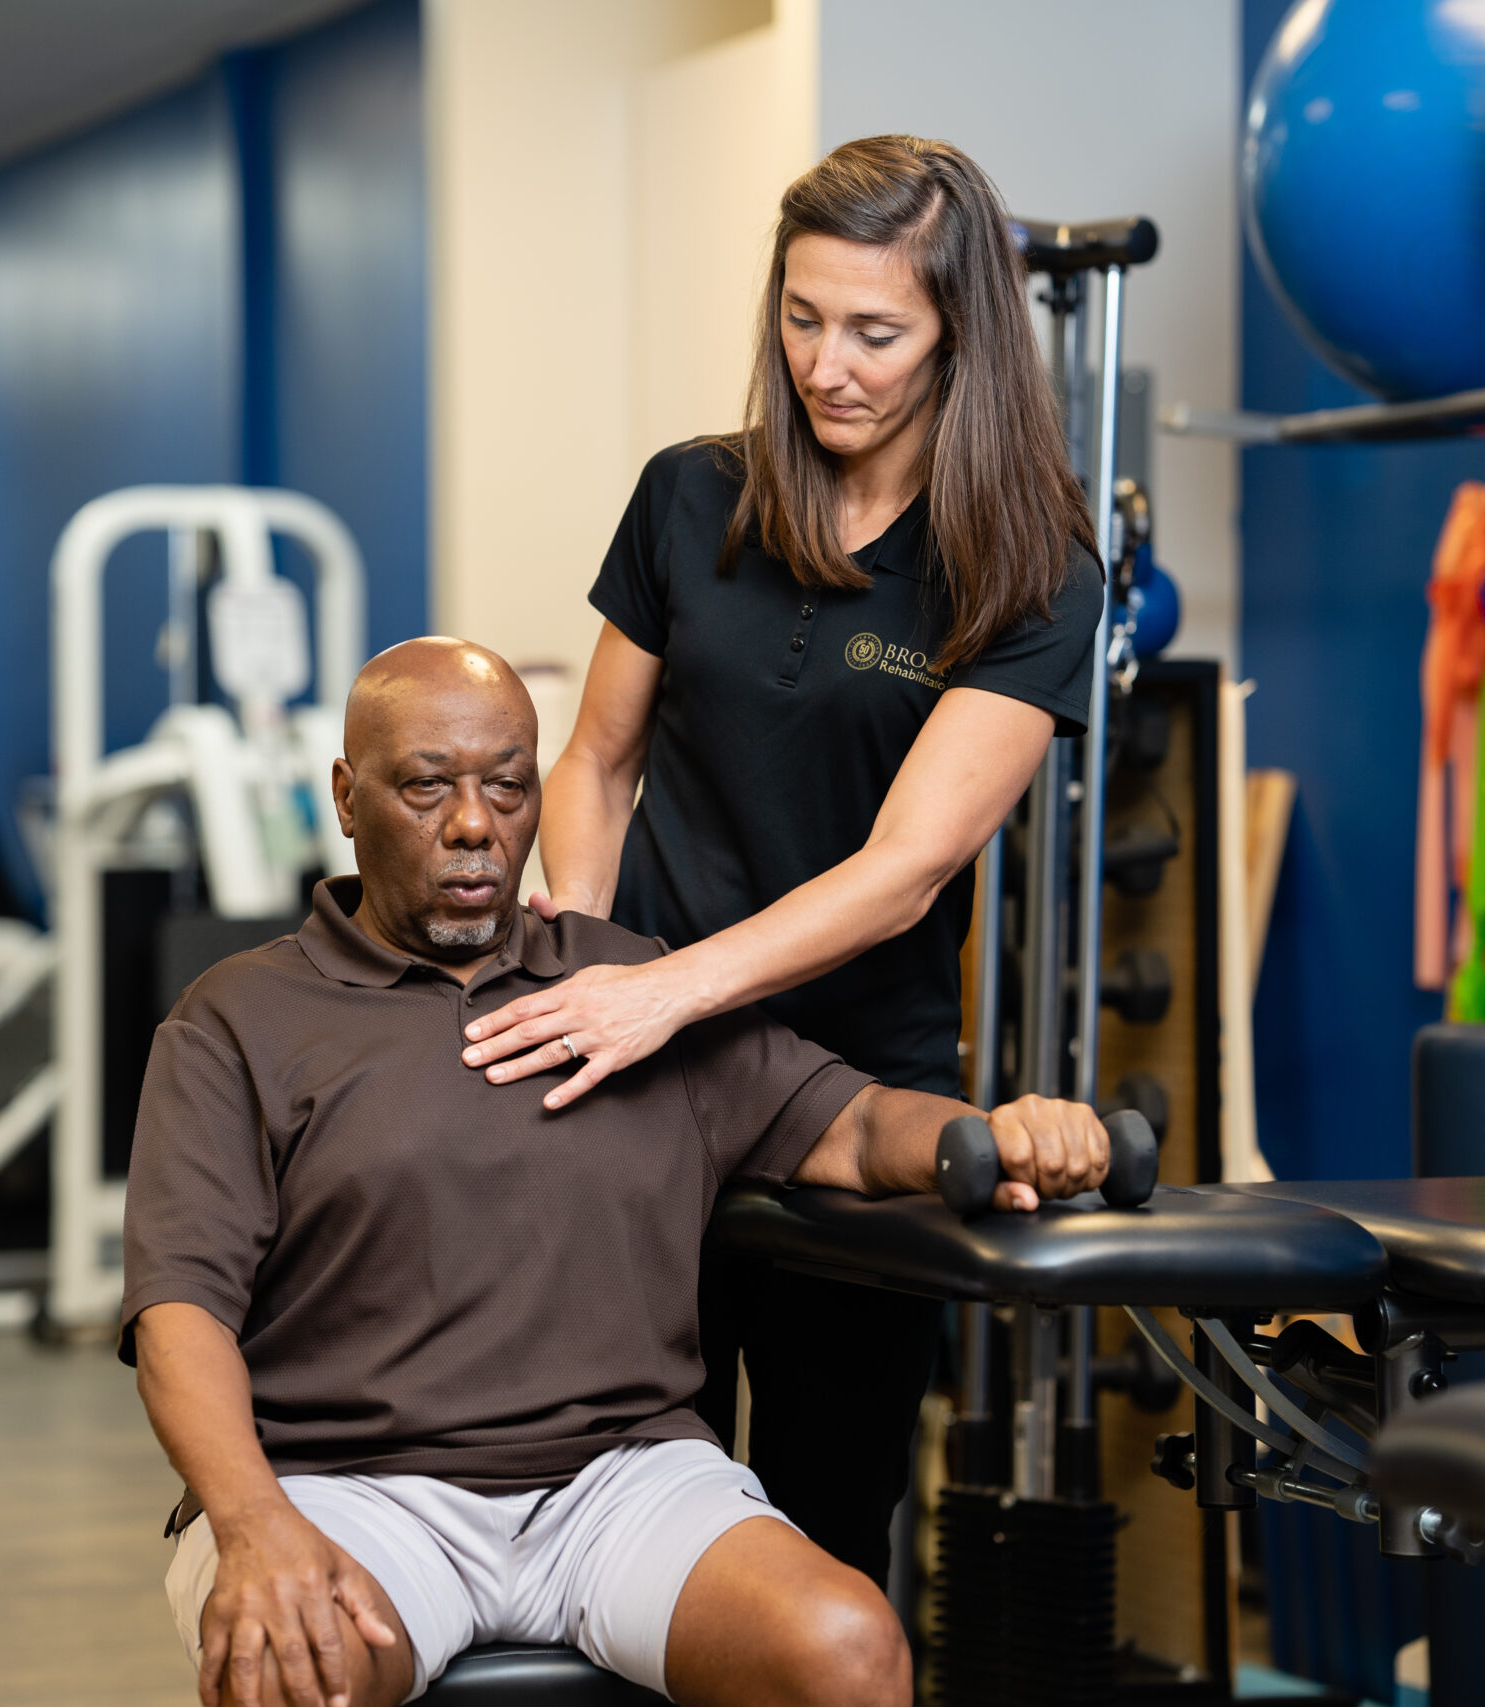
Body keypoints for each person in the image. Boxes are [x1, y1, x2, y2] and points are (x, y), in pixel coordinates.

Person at [124, 639, 1109, 1707]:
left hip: (617, 1480)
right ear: (348, 798)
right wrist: (253, 1520)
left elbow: (861, 1128)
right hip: (349, 1485)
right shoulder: (239, 1016)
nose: (472, 825)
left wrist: (995, 1136)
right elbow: (180, 1311)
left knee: (847, 1649)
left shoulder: (632, 991)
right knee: (289, 1667)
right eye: (426, 788)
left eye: (506, 786)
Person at [456, 134, 1107, 1579]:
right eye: (803, 320)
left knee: (820, 1533)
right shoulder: (692, 496)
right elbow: (598, 757)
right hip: (640, 1081)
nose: (829, 365)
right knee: (613, 1513)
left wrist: (665, 987)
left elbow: (907, 867)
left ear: (960, 334)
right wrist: (585, 940)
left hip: (857, 1095)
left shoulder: (1030, 564)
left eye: (876, 331)